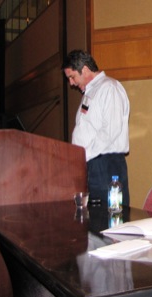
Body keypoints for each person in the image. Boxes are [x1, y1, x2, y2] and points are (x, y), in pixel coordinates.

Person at [62, 50, 130, 206]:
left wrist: (84, 156)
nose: (71, 83)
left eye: (72, 77)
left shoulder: (109, 88)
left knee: (109, 218)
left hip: (105, 164)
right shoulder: (91, 91)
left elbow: (111, 131)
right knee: (94, 219)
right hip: (93, 163)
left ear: (85, 70)